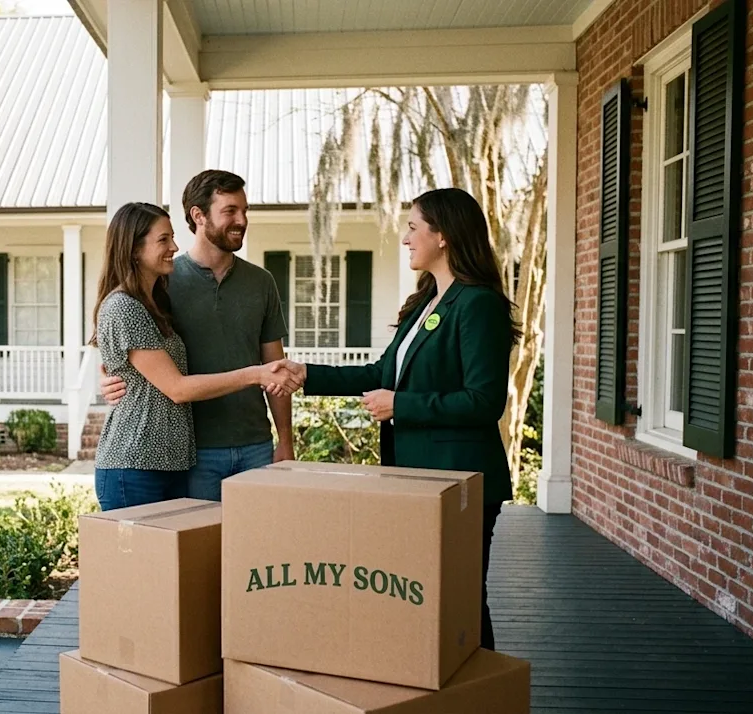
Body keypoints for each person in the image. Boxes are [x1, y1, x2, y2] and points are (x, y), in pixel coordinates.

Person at [276, 187, 519, 651]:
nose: (405, 238)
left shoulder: (476, 304)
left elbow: (485, 401)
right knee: (427, 594)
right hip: (416, 479)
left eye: (412, 227)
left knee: (463, 597)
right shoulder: (428, 302)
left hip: (461, 482)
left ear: (443, 235)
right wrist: (305, 373)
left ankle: (485, 691)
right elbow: (379, 374)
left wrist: (401, 405)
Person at [91, 201, 301, 512]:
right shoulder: (124, 306)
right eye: (163, 239)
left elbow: (132, 367)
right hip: (134, 464)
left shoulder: (155, 300)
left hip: (170, 464)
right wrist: (256, 373)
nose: (174, 246)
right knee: (146, 561)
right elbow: (177, 388)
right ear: (134, 249)